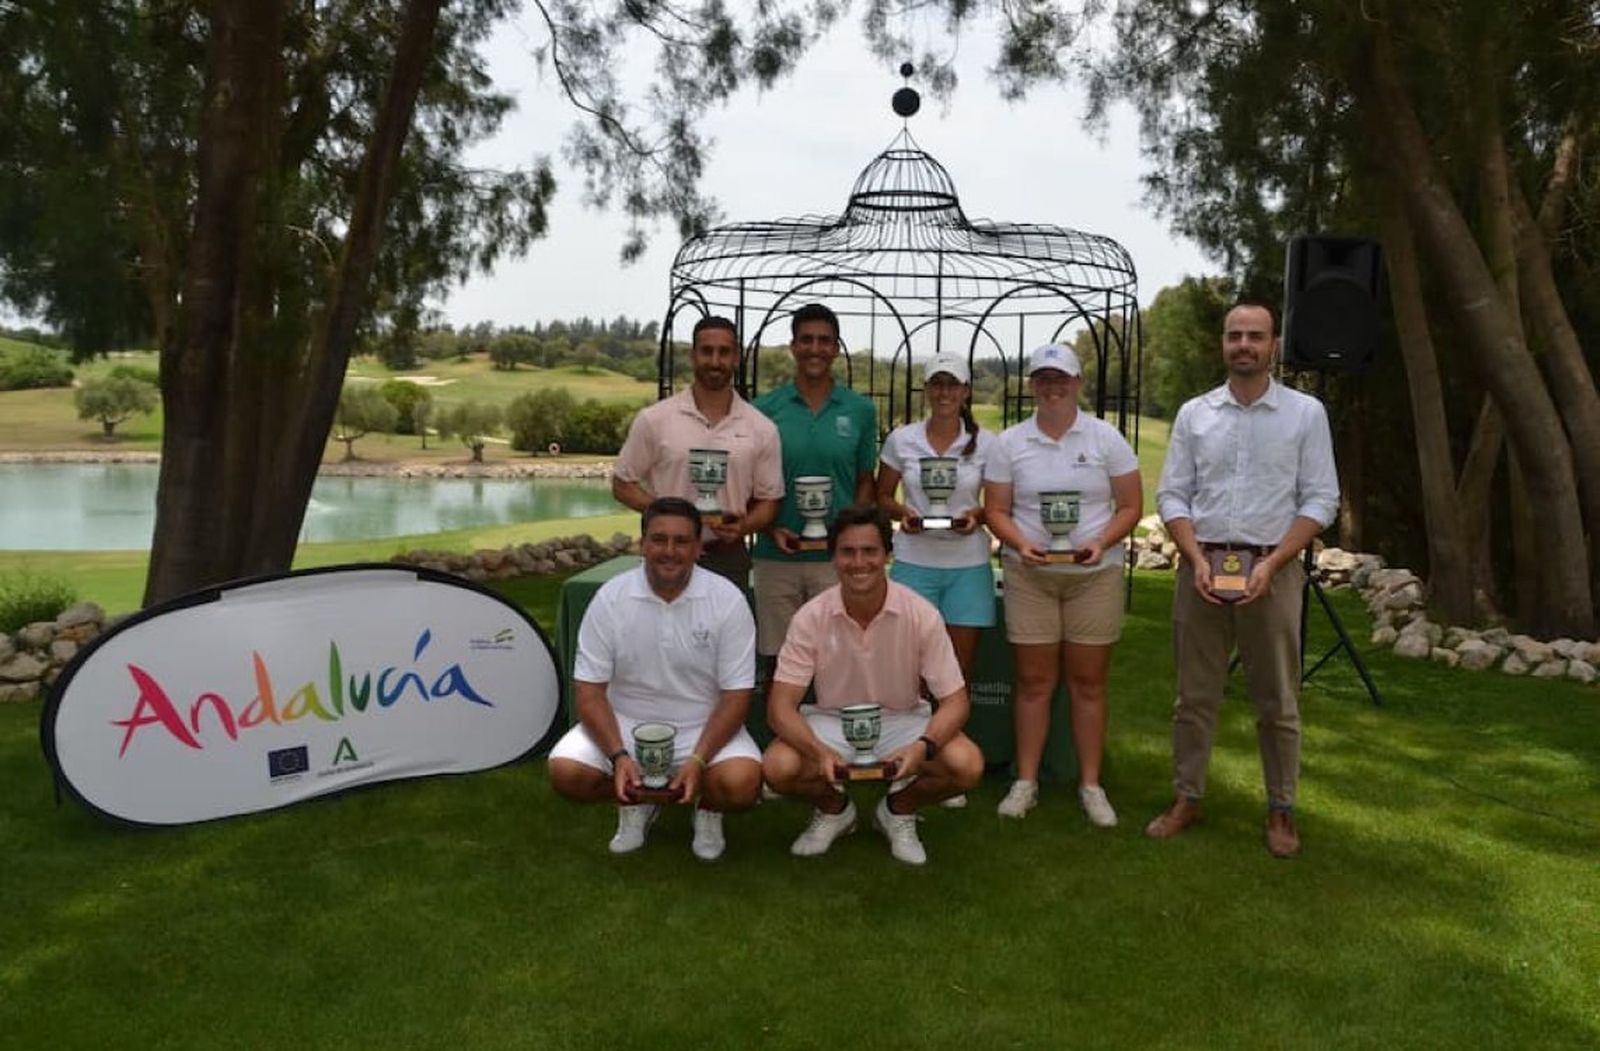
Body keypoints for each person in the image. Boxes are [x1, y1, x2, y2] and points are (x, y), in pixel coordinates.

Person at [1146, 302, 1338, 859]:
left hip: (1271, 572)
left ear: (1273, 344)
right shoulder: (1195, 414)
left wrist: (1274, 565)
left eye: (1255, 336)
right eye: (1235, 336)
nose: (1244, 345)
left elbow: (1321, 498)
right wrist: (1194, 558)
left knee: (1277, 700)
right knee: (1193, 697)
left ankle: (1281, 809)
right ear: (1223, 345)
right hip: (1201, 567)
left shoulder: (1305, 414)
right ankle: (1187, 797)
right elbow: (1173, 494)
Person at [761, 505, 985, 866]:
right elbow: (779, 707)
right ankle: (836, 810)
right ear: (833, 556)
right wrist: (818, 753)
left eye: (870, 551)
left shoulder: (920, 613)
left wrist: (923, 747)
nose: (859, 562)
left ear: (887, 555)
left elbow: (956, 701)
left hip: (902, 720)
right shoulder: (810, 617)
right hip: (833, 722)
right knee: (778, 767)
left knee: (967, 764)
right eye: (848, 552)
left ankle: (897, 809)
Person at [548, 497, 762, 862]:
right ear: (643, 543)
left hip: (702, 727)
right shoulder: (610, 598)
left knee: (741, 785)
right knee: (566, 772)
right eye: (659, 540)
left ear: (698, 549)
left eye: (681, 542)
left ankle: (708, 808)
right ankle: (636, 802)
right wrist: (617, 756)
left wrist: (697, 760)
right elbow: (589, 691)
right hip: (625, 727)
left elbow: (736, 696)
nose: (669, 551)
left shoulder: (726, 600)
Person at [983, 343, 1142, 827]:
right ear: (1032, 384)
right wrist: (1020, 544)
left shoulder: (1105, 438)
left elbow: (1131, 506)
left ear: (1077, 383)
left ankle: (1090, 785)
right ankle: (1025, 781)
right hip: (1030, 574)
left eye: (1061, 378)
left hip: (1093, 577)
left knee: (1088, 684)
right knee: (1033, 683)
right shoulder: (1010, 442)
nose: (1052, 387)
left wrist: (1099, 541)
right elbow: (996, 510)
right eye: (1043, 379)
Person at [612, 315, 783, 585]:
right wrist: (668, 515)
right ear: (693, 356)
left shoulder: (761, 428)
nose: (715, 361)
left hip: (727, 555)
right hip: (666, 556)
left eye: (724, 352)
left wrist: (745, 526)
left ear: (736, 358)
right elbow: (622, 484)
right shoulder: (654, 419)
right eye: (706, 351)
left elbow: (769, 501)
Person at [751, 303, 878, 663]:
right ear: (793, 346)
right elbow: (750, 484)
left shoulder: (860, 410)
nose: (815, 349)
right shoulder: (764, 409)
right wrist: (772, 526)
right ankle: (782, 722)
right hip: (776, 556)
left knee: (838, 659)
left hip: (835, 561)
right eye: (806, 340)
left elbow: (865, 481)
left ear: (836, 349)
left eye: (824, 341)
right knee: (780, 661)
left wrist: (847, 536)